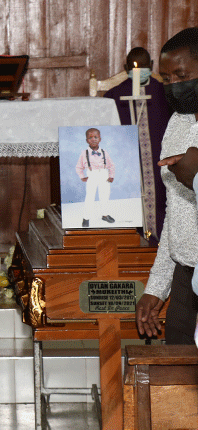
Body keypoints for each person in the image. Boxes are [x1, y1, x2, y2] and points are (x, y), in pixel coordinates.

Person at [136, 27, 198, 345]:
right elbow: (176, 215)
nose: (174, 86)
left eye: (181, 75)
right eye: (167, 78)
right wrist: (156, 287)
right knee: (181, 377)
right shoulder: (177, 123)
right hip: (186, 275)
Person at [104, 47, 173, 238]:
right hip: (127, 166)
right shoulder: (112, 96)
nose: (138, 70)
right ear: (125, 67)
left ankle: (161, 241)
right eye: (134, 66)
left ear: (151, 66)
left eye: (143, 66)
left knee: (163, 196)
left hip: (160, 162)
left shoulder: (165, 92)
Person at [75, 127, 116, 227]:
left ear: (100, 139)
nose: (93, 139)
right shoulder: (84, 153)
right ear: (86, 140)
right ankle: (86, 217)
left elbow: (111, 165)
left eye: (96, 137)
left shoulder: (104, 152)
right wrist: (82, 177)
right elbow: (78, 167)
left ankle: (105, 215)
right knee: (90, 197)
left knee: (105, 195)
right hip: (92, 175)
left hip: (103, 175)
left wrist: (111, 175)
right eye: (90, 138)